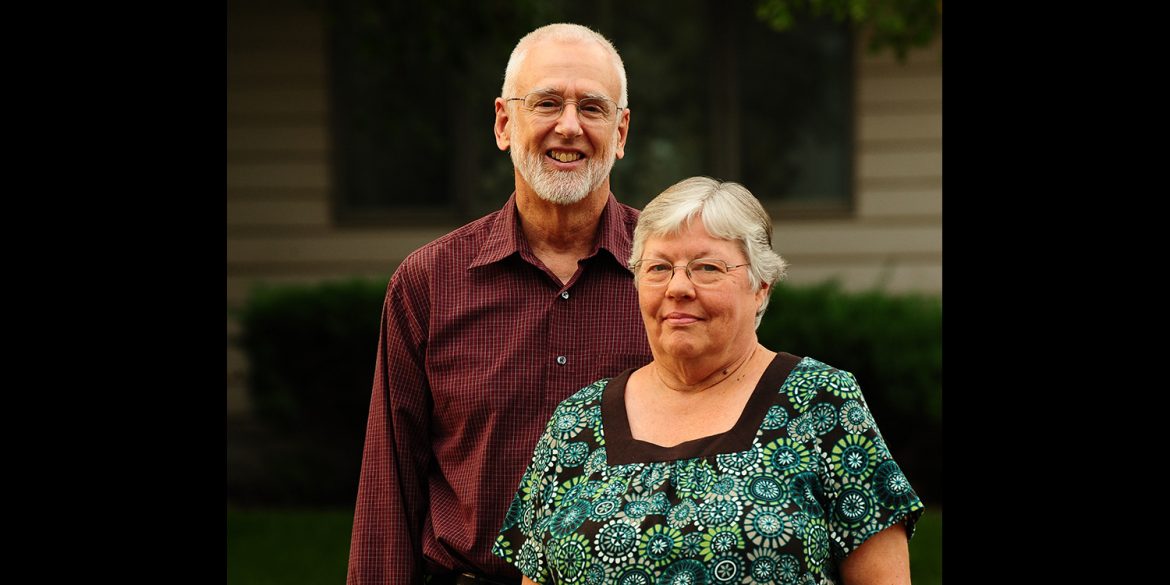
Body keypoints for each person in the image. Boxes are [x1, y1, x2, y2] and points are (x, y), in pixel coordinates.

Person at [494, 177, 924, 585]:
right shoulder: (577, 420)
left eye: (707, 268)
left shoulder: (822, 402)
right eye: (659, 267)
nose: (678, 287)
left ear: (761, 287)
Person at [347, 24, 653, 585]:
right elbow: (390, 485)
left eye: (592, 106)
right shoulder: (430, 282)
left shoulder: (668, 278)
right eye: (546, 104)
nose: (569, 126)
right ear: (504, 123)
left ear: (621, 130)